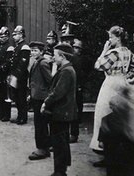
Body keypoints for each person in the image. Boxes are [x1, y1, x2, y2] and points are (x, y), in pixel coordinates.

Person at [90, 26, 134, 162]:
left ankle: (107, 153)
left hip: (111, 84)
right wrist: (126, 76)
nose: (109, 40)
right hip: (123, 83)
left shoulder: (114, 53)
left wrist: (104, 51)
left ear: (118, 38)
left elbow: (98, 66)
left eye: (111, 37)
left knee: (104, 114)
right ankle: (115, 153)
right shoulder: (128, 52)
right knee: (119, 116)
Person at [41, 43, 77, 176]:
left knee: (59, 142)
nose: (53, 58)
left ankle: (60, 171)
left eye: (55, 55)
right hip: (63, 111)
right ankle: (62, 169)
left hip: (61, 112)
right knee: (62, 141)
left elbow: (58, 92)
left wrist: (46, 102)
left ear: (62, 56)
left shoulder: (66, 71)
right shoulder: (66, 69)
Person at [28, 41, 53, 160]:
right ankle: (43, 147)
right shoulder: (36, 62)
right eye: (32, 50)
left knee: (41, 124)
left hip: (41, 98)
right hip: (36, 96)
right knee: (38, 123)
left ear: (41, 52)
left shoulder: (43, 63)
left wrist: (46, 97)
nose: (33, 53)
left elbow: (50, 81)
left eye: (35, 50)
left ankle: (42, 149)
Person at [69, 39, 93, 144]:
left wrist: (81, 84)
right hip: (71, 87)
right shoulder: (71, 59)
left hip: (77, 87)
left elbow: (85, 74)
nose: (76, 50)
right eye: (74, 47)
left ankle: (74, 134)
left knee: (75, 111)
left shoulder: (81, 60)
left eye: (78, 48)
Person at [0, 26, 14, 122]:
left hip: (6, 73)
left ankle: (6, 115)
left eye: (3, 37)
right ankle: (0, 113)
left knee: (6, 95)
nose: (1, 38)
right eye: (0, 37)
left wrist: (2, 68)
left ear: (8, 37)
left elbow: (9, 61)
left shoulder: (10, 47)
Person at [9, 25, 31, 125]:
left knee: (21, 97)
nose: (14, 37)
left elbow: (23, 64)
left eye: (16, 34)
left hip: (21, 76)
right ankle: (19, 116)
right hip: (16, 75)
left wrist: (16, 76)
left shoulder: (24, 47)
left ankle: (23, 117)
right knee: (17, 98)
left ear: (21, 35)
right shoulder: (18, 46)